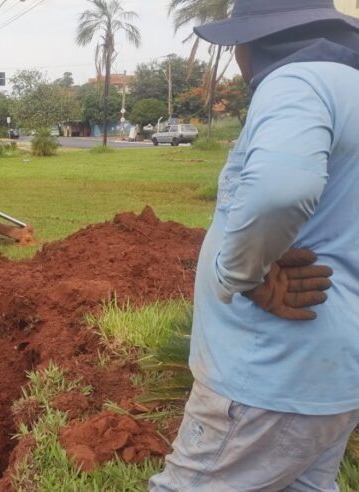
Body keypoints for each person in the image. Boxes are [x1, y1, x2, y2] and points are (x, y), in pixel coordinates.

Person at [149, 1, 359, 490]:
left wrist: (241, 274)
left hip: (267, 372)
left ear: (256, 39)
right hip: (334, 376)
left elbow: (279, 189)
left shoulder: (297, 83)